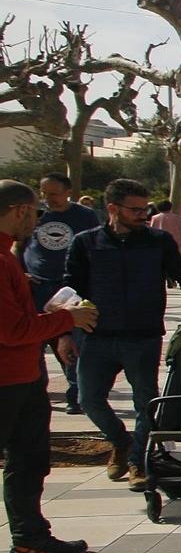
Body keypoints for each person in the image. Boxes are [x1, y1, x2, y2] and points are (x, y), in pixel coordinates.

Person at [65, 177, 181, 491]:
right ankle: (120, 442)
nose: (143, 215)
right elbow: (71, 288)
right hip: (96, 335)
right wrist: (65, 333)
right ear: (113, 208)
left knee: (146, 402)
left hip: (143, 335)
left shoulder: (158, 241)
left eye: (145, 209)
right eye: (135, 210)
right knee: (89, 399)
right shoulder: (86, 242)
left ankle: (139, 461)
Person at [0, 179, 96, 553]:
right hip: (6, 380)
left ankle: (30, 539)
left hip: (23, 377)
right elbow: (10, 331)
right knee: (23, 460)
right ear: (21, 211)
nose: (36, 221)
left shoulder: (9, 255)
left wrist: (53, 318)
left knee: (29, 461)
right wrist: (65, 321)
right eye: (34, 213)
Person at [22, 173, 99, 415]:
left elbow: (95, 248)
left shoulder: (84, 216)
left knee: (69, 345)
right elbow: (19, 244)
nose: (48, 198)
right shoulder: (34, 215)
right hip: (36, 289)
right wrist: (19, 272)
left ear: (67, 191)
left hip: (68, 290)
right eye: (44, 193)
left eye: (53, 193)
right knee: (33, 344)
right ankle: (35, 394)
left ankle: (76, 395)